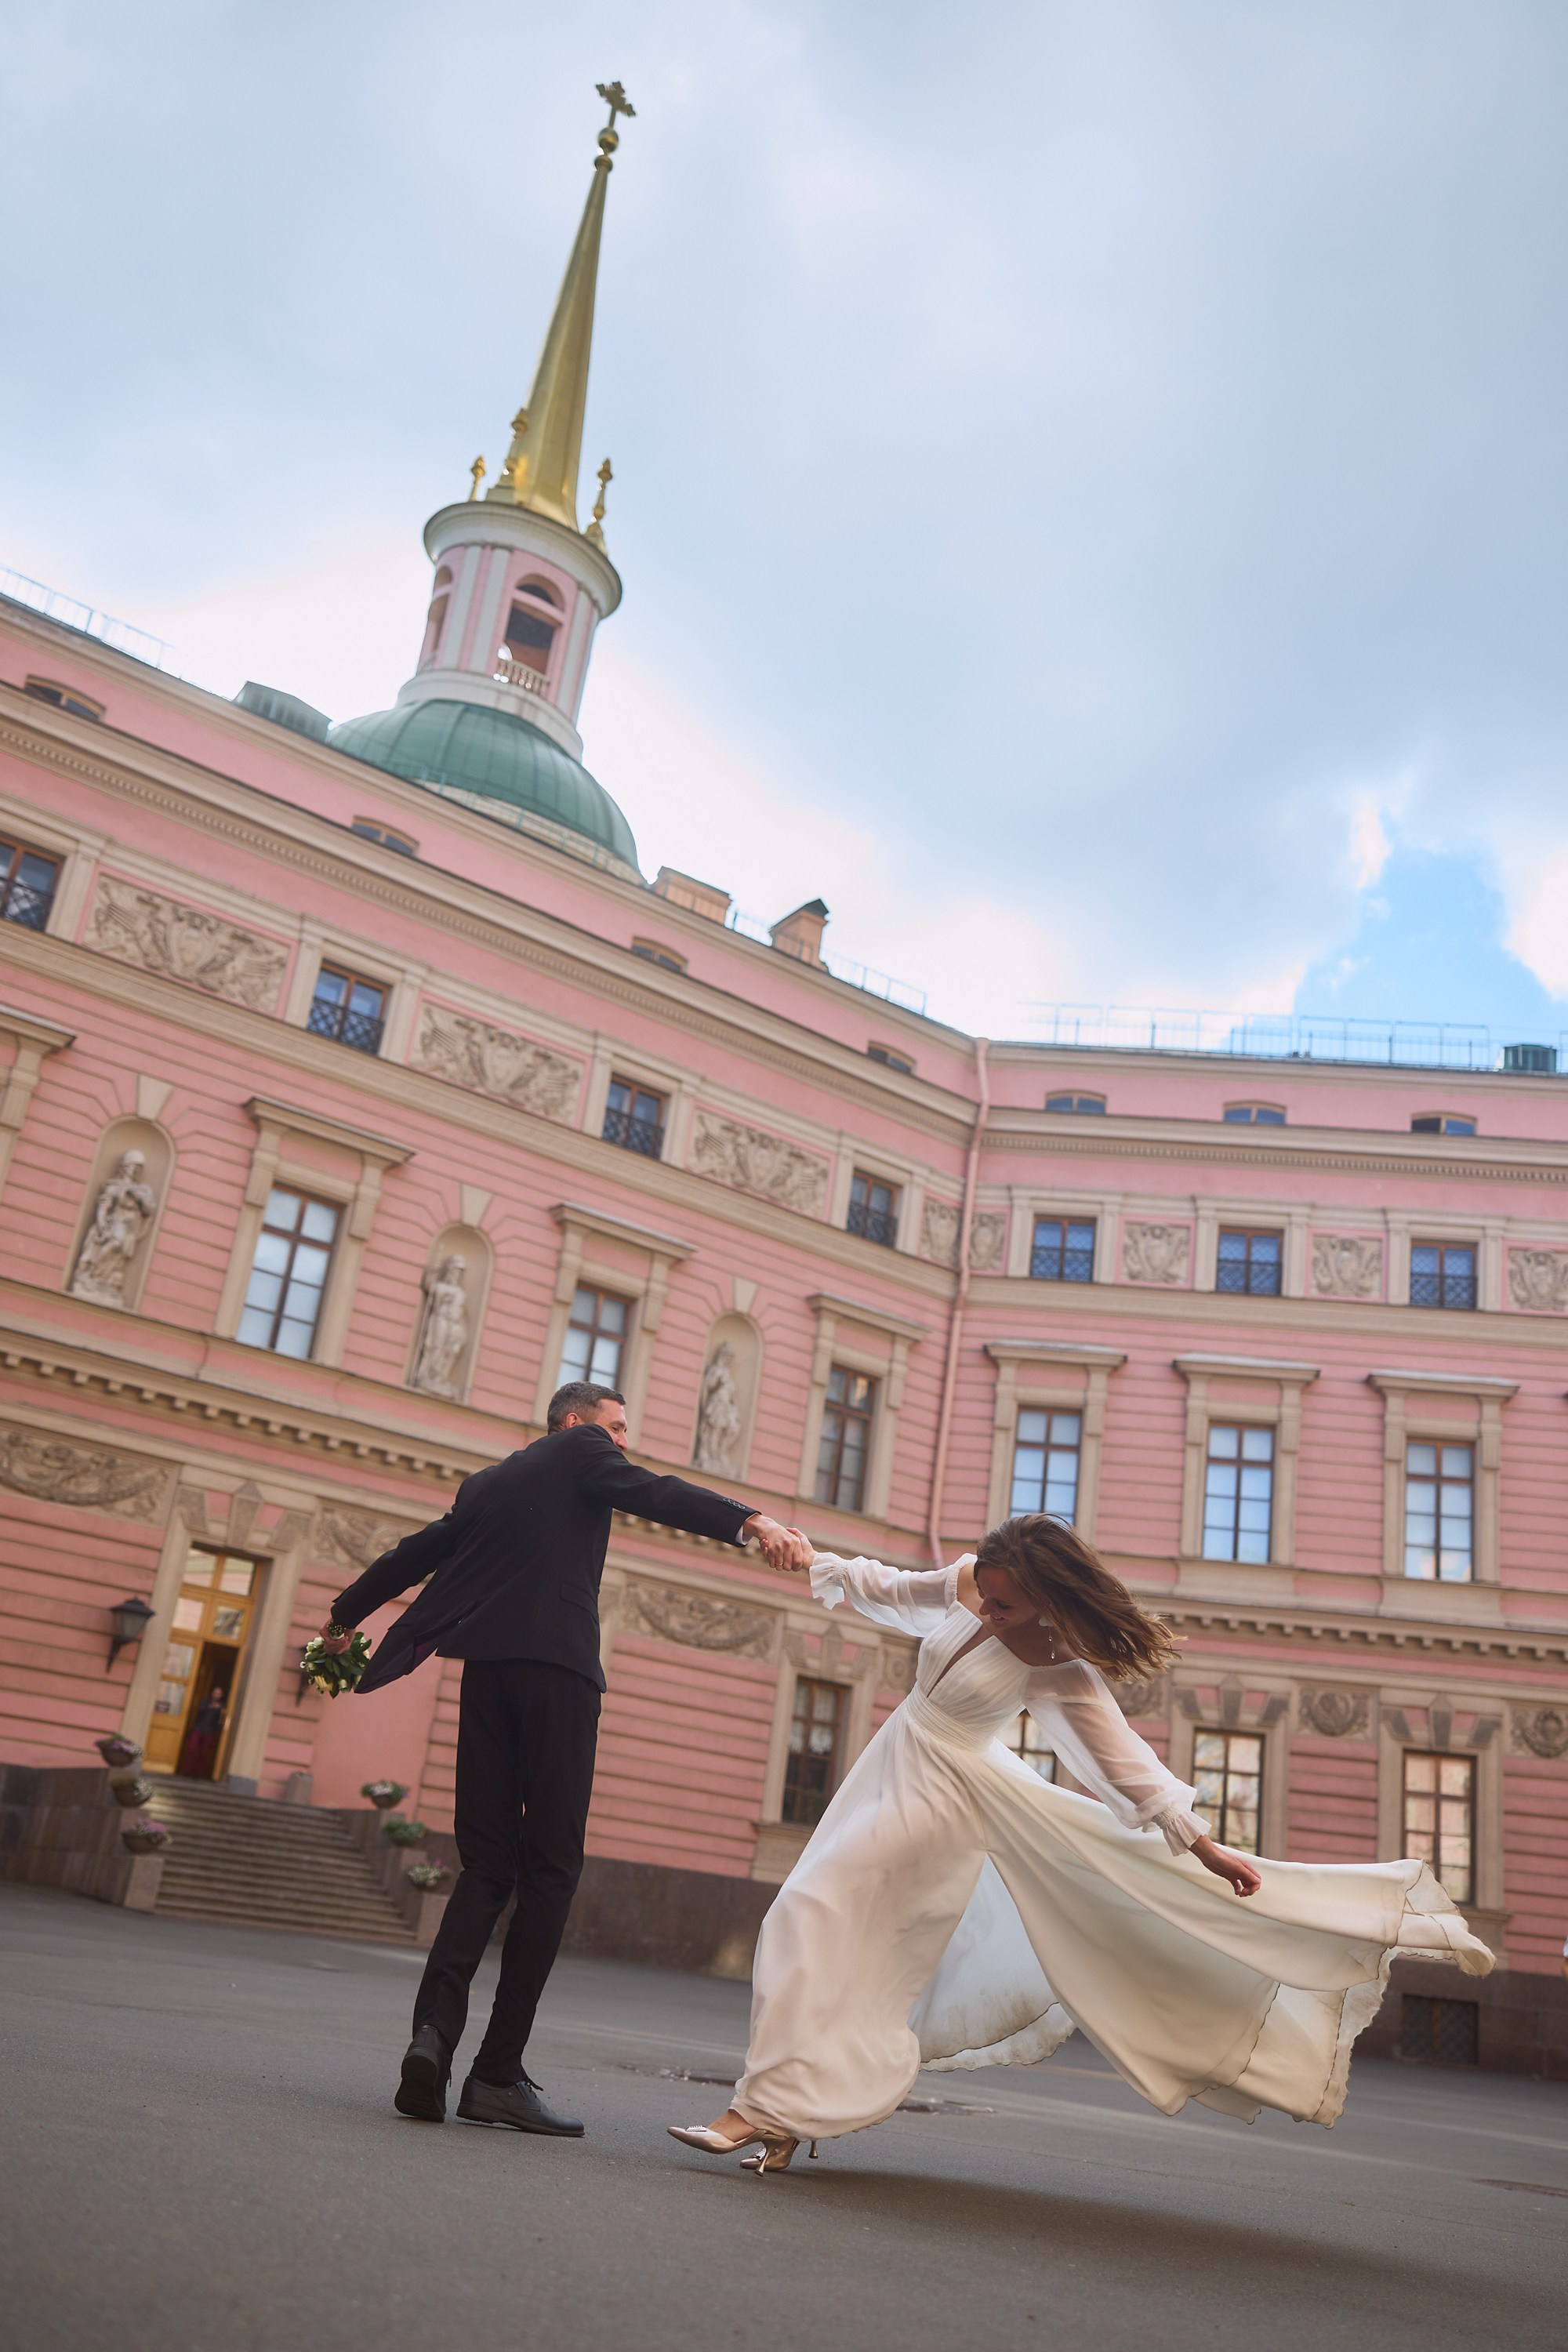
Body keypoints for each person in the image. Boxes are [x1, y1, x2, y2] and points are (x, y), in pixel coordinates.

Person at [670, 1515, 1494, 2174]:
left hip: (945, 1798)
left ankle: (760, 2108)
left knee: (810, 1915)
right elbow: (903, 1590)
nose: (984, 1613)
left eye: (1002, 1607)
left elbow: (1121, 1761)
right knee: (827, 1930)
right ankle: (781, 2112)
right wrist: (820, 1563)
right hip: (892, 1759)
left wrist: (1197, 1843)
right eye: (983, 1597)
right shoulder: (970, 1580)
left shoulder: (1057, 1663)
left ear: (1042, 1604)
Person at [320, 1380, 810, 2135]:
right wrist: (751, 1520)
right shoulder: (582, 1451)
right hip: (559, 1674)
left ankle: (431, 2041)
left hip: (486, 1673)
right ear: (575, 1423)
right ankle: (495, 2075)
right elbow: (658, 1492)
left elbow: (415, 1553)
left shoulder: (487, 1483)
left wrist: (342, 1618)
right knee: (550, 1871)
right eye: (616, 1428)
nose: (621, 1442)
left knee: (486, 1868)